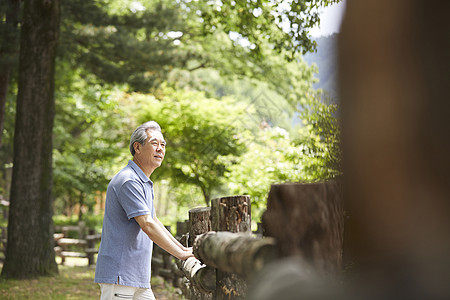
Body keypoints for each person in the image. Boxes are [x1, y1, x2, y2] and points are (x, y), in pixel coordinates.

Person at [95, 121, 194, 300]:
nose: (160, 149)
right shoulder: (129, 180)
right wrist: (181, 254)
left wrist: (183, 249)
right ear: (137, 147)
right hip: (120, 275)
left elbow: (154, 221)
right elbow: (147, 224)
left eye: (163, 145)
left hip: (138, 277)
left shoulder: (143, 182)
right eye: (154, 143)